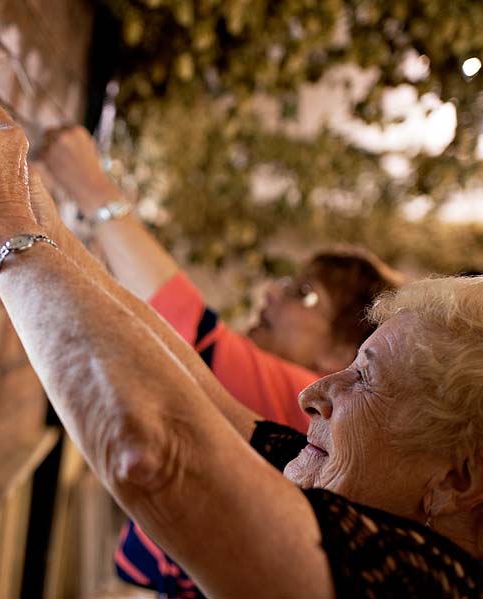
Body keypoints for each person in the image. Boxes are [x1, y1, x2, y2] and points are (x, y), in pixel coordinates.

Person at [0, 107, 483, 597]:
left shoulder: (425, 585)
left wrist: (0, 224)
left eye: (365, 380)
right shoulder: (355, 490)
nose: (311, 392)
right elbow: (197, 391)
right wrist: (35, 217)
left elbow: (154, 450)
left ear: (461, 480)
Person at [42, 126, 404, 595]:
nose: (273, 292)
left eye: (305, 294)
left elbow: (190, 330)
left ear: (343, 353)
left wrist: (90, 185)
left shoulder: (311, 403)